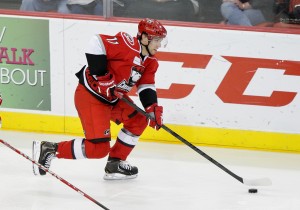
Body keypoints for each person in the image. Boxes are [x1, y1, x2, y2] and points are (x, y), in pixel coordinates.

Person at [32, 18, 167, 180]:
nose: (159, 45)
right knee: (98, 149)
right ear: (144, 38)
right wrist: (102, 76)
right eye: (157, 40)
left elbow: (146, 86)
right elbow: (95, 42)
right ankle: (50, 149)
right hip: (91, 96)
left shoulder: (151, 62)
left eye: (161, 41)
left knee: (139, 120)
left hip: (113, 99)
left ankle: (115, 163)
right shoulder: (127, 44)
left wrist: (152, 108)